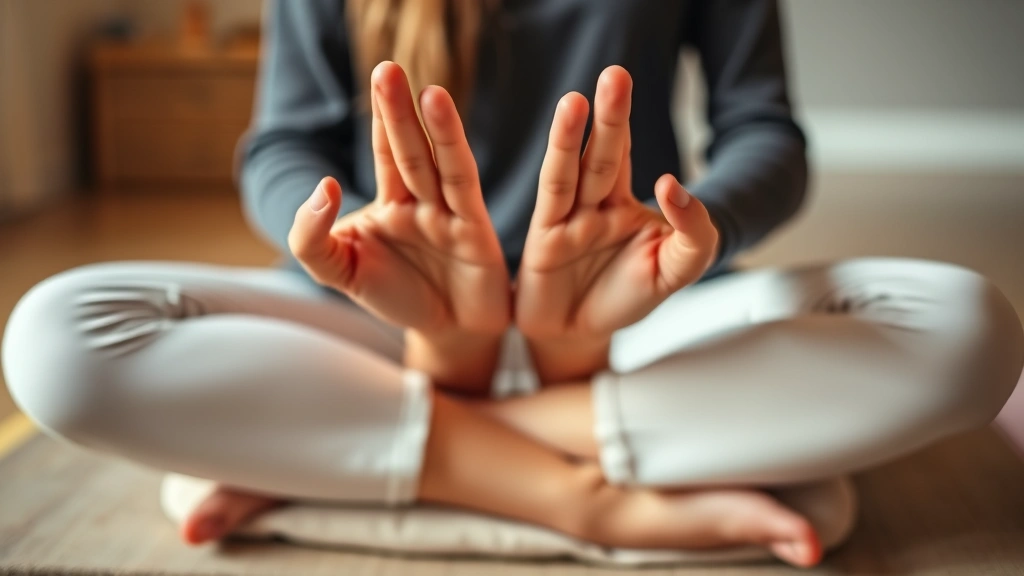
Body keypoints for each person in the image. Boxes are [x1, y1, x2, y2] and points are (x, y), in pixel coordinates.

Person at [3, 0, 1022, 568]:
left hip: (633, 303)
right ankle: (587, 493)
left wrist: (690, 228)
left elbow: (765, 132)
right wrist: (354, 244)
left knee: (965, 328)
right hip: (377, 310)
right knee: (57, 339)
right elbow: (281, 144)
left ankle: (350, 450)